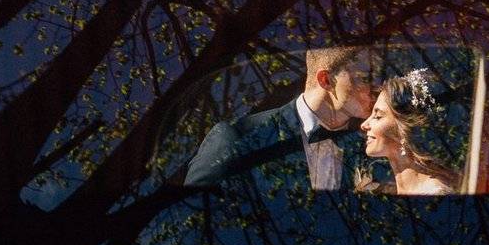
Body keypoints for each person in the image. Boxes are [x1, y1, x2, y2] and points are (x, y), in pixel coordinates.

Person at [183, 46, 373, 189]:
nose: (377, 86)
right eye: (365, 78)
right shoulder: (237, 139)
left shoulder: (370, 142)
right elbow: (198, 212)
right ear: (326, 80)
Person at [358, 68, 459, 195]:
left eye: (378, 116)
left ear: (406, 126)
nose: (364, 125)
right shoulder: (391, 192)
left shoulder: (435, 193)